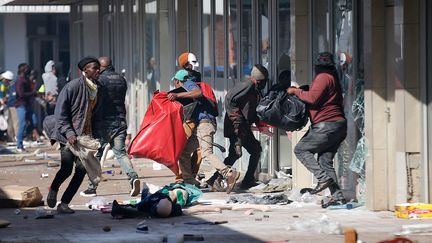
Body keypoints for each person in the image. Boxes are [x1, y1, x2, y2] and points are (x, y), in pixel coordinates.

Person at [287, 52, 347, 208]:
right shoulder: (332, 77)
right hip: (337, 125)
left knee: (301, 150)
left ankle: (322, 179)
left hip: (326, 125)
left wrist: (296, 92)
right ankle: (338, 197)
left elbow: (313, 98)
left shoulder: (323, 77)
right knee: (325, 161)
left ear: (317, 66)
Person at [177, 52, 240, 193]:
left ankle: (228, 173)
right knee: (184, 152)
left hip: (205, 123)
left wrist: (177, 95)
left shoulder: (189, 83)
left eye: (177, 81)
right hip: (203, 124)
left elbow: (197, 94)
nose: (177, 84)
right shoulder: (199, 81)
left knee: (206, 153)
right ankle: (189, 182)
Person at [45, 56, 101, 214]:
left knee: (82, 170)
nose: (98, 71)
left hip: (85, 138)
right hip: (68, 136)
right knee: (66, 169)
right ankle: (53, 190)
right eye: (94, 68)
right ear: (85, 70)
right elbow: (60, 114)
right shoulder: (73, 86)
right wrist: (69, 133)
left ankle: (64, 203)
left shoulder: (97, 88)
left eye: (98, 68)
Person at [80, 56, 141, 198]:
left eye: (97, 68)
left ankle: (92, 187)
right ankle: (133, 178)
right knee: (120, 153)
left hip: (103, 123)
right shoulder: (121, 79)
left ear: (102, 67)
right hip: (120, 120)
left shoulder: (100, 80)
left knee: (97, 155)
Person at [223, 64, 268, 190]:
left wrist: (260, 124)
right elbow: (229, 99)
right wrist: (237, 120)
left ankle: (248, 180)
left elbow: (251, 108)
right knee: (236, 153)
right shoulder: (248, 85)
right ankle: (216, 178)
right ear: (259, 80)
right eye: (263, 82)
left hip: (243, 128)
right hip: (236, 127)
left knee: (255, 149)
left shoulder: (255, 89)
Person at [111, 182, 201, 218]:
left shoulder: (150, 204)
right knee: (141, 208)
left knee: (141, 207)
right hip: (161, 205)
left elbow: (138, 207)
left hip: (157, 205)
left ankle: (121, 210)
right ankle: (121, 211)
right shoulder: (175, 208)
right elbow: (193, 210)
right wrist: (213, 208)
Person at [15, 63, 38, 152]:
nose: (29, 69)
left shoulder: (27, 79)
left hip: (27, 104)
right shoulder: (19, 81)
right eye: (27, 68)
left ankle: (25, 136)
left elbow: (30, 91)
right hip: (20, 105)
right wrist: (33, 93)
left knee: (34, 121)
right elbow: (21, 94)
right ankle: (19, 145)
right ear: (23, 70)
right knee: (23, 124)